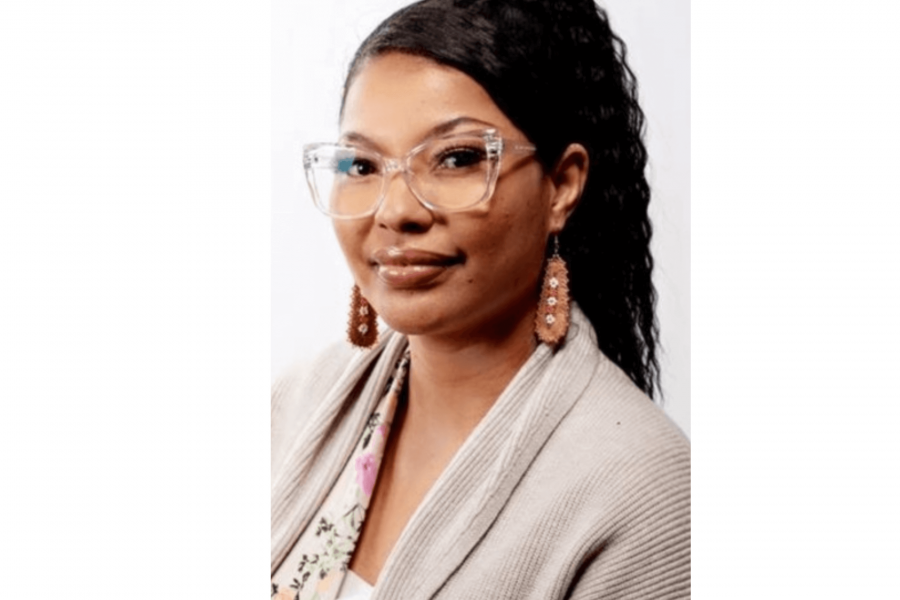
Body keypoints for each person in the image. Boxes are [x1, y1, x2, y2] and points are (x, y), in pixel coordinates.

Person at [271, 0, 690, 598]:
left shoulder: (646, 493)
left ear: (562, 185)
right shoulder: (294, 406)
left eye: (458, 158)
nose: (395, 211)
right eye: (362, 164)